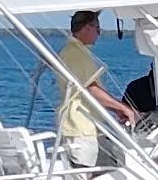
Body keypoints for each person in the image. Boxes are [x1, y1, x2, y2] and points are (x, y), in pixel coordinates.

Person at [53, 10, 138, 169]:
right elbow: (91, 90)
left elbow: (86, 92)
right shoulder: (76, 55)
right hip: (82, 129)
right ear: (86, 28)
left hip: (84, 128)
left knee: (108, 169)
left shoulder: (72, 52)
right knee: (94, 175)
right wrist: (123, 108)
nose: (99, 33)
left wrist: (115, 109)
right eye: (97, 28)